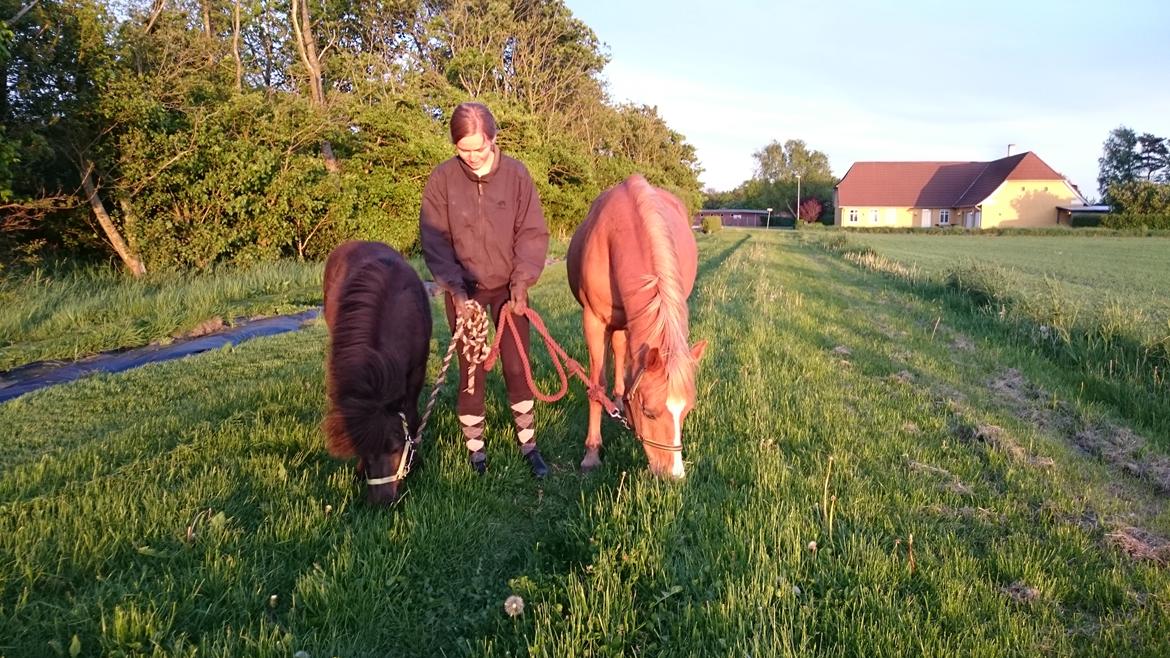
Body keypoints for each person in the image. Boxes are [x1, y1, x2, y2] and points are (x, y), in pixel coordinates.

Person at [419, 102, 551, 478]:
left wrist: (521, 283)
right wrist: (457, 293)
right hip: (466, 291)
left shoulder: (517, 176)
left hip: (509, 290)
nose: (473, 157)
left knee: (516, 366)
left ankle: (529, 444)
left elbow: (531, 232)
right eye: (464, 150)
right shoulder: (442, 180)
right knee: (471, 370)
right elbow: (435, 239)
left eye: (480, 148)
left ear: (494, 139)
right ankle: (476, 453)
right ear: (455, 145)